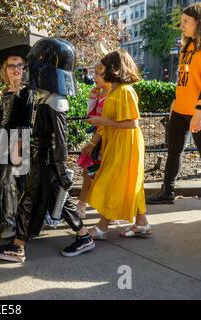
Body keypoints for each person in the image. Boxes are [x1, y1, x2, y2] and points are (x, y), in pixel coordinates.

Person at [0, 38, 95, 262]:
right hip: (42, 159)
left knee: (34, 199)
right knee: (49, 200)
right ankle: (82, 237)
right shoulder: (46, 98)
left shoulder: (55, 101)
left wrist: (60, 169)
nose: (28, 71)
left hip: (47, 161)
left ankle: (18, 246)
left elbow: (59, 140)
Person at [85, 49, 151, 240]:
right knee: (129, 182)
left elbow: (133, 123)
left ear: (113, 68)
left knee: (112, 181)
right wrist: (92, 142)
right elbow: (109, 121)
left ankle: (102, 227)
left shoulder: (124, 91)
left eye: (103, 67)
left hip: (126, 144)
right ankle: (142, 223)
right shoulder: (115, 90)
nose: (100, 71)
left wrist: (102, 122)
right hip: (119, 143)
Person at [147, 3, 201, 205]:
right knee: (173, 151)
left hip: (197, 111)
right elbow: (184, 78)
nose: (182, 25)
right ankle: (167, 192)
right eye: (182, 21)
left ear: (199, 23)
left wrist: (199, 111)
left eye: (186, 21)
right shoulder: (186, 46)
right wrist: (174, 100)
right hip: (179, 109)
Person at [0, 45, 32, 239]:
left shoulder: (27, 92)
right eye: (12, 66)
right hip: (2, 143)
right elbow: (4, 120)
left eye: (20, 65)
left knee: (15, 183)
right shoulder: (5, 92)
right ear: (5, 69)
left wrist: (18, 148)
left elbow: (25, 124)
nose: (16, 69)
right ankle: (5, 219)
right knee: (2, 183)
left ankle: (15, 223)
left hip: (19, 143)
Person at [76, 62, 111, 218]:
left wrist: (92, 143)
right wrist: (92, 99)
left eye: (99, 73)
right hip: (97, 139)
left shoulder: (114, 95)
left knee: (106, 175)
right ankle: (82, 204)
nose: (94, 76)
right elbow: (90, 118)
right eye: (95, 73)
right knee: (88, 173)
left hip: (107, 141)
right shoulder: (99, 93)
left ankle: (108, 209)